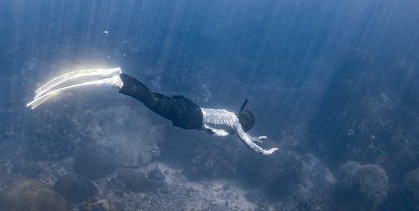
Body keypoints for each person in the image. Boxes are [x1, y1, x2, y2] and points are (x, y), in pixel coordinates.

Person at [27, 67, 278, 156]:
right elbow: (244, 140)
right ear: (244, 124)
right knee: (150, 99)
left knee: (153, 97)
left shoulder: (230, 118)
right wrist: (264, 152)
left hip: (189, 108)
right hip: (189, 116)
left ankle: (119, 77)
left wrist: (257, 139)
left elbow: (239, 135)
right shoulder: (234, 125)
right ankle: (115, 81)